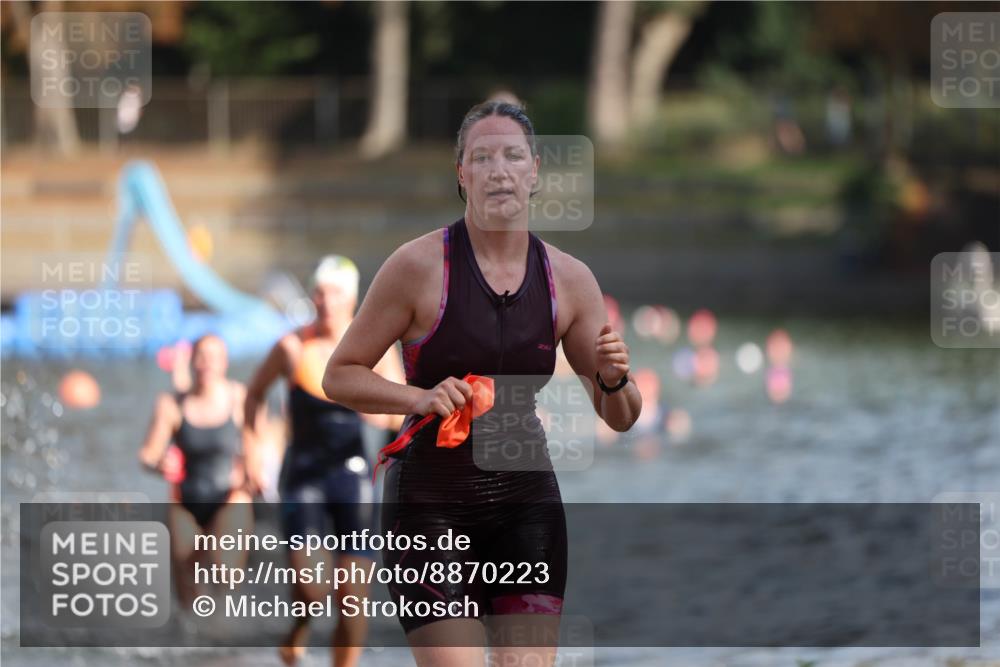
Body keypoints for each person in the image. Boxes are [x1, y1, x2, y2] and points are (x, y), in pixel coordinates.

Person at [322, 101, 642, 667]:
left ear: (535, 170)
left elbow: (620, 415)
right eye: (483, 157)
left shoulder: (569, 279)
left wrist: (615, 381)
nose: (499, 170)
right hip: (428, 505)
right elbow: (339, 374)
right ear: (462, 174)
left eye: (513, 156)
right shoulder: (417, 266)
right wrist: (417, 397)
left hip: (525, 503)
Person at [244, 255, 404, 667]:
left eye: (333, 293)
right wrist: (253, 447)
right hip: (304, 478)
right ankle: (299, 626)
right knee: (313, 589)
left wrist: (378, 407)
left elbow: (401, 415)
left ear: (352, 300)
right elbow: (253, 395)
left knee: (353, 603)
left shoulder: (377, 351)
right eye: (318, 291)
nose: (323, 300)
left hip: (356, 480)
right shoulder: (292, 346)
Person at [138, 333, 254, 608]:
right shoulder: (172, 404)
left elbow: (258, 442)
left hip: (230, 497)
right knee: (188, 596)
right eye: (201, 357)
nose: (207, 364)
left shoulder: (239, 398)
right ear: (191, 361)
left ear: (225, 363)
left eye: (214, 358)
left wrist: (253, 471)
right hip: (185, 501)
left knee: (224, 572)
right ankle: (194, 645)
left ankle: (231, 637)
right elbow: (146, 454)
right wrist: (159, 464)